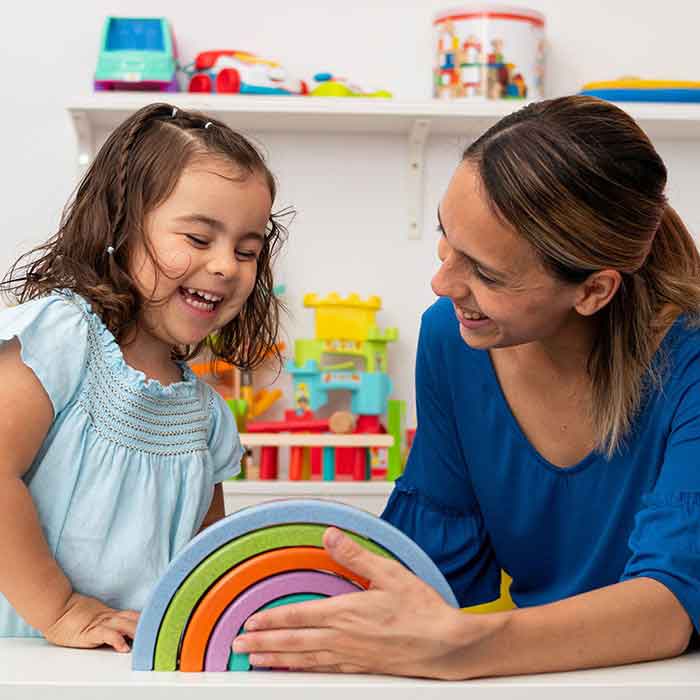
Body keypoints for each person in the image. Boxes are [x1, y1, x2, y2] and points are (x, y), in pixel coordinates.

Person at [231, 95, 700, 679]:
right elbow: (439, 564)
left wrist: (463, 648)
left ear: (593, 291)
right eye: (446, 239)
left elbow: (667, 607)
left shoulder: (690, 363)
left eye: (486, 272)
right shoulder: (453, 338)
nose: (442, 280)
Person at [0, 103, 286, 651]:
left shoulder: (206, 418)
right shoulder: (59, 339)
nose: (227, 265)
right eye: (200, 240)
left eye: (247, 250)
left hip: (129, 668)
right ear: (120, 228)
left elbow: (204, 574)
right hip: (23, 662)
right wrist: (60, 610)